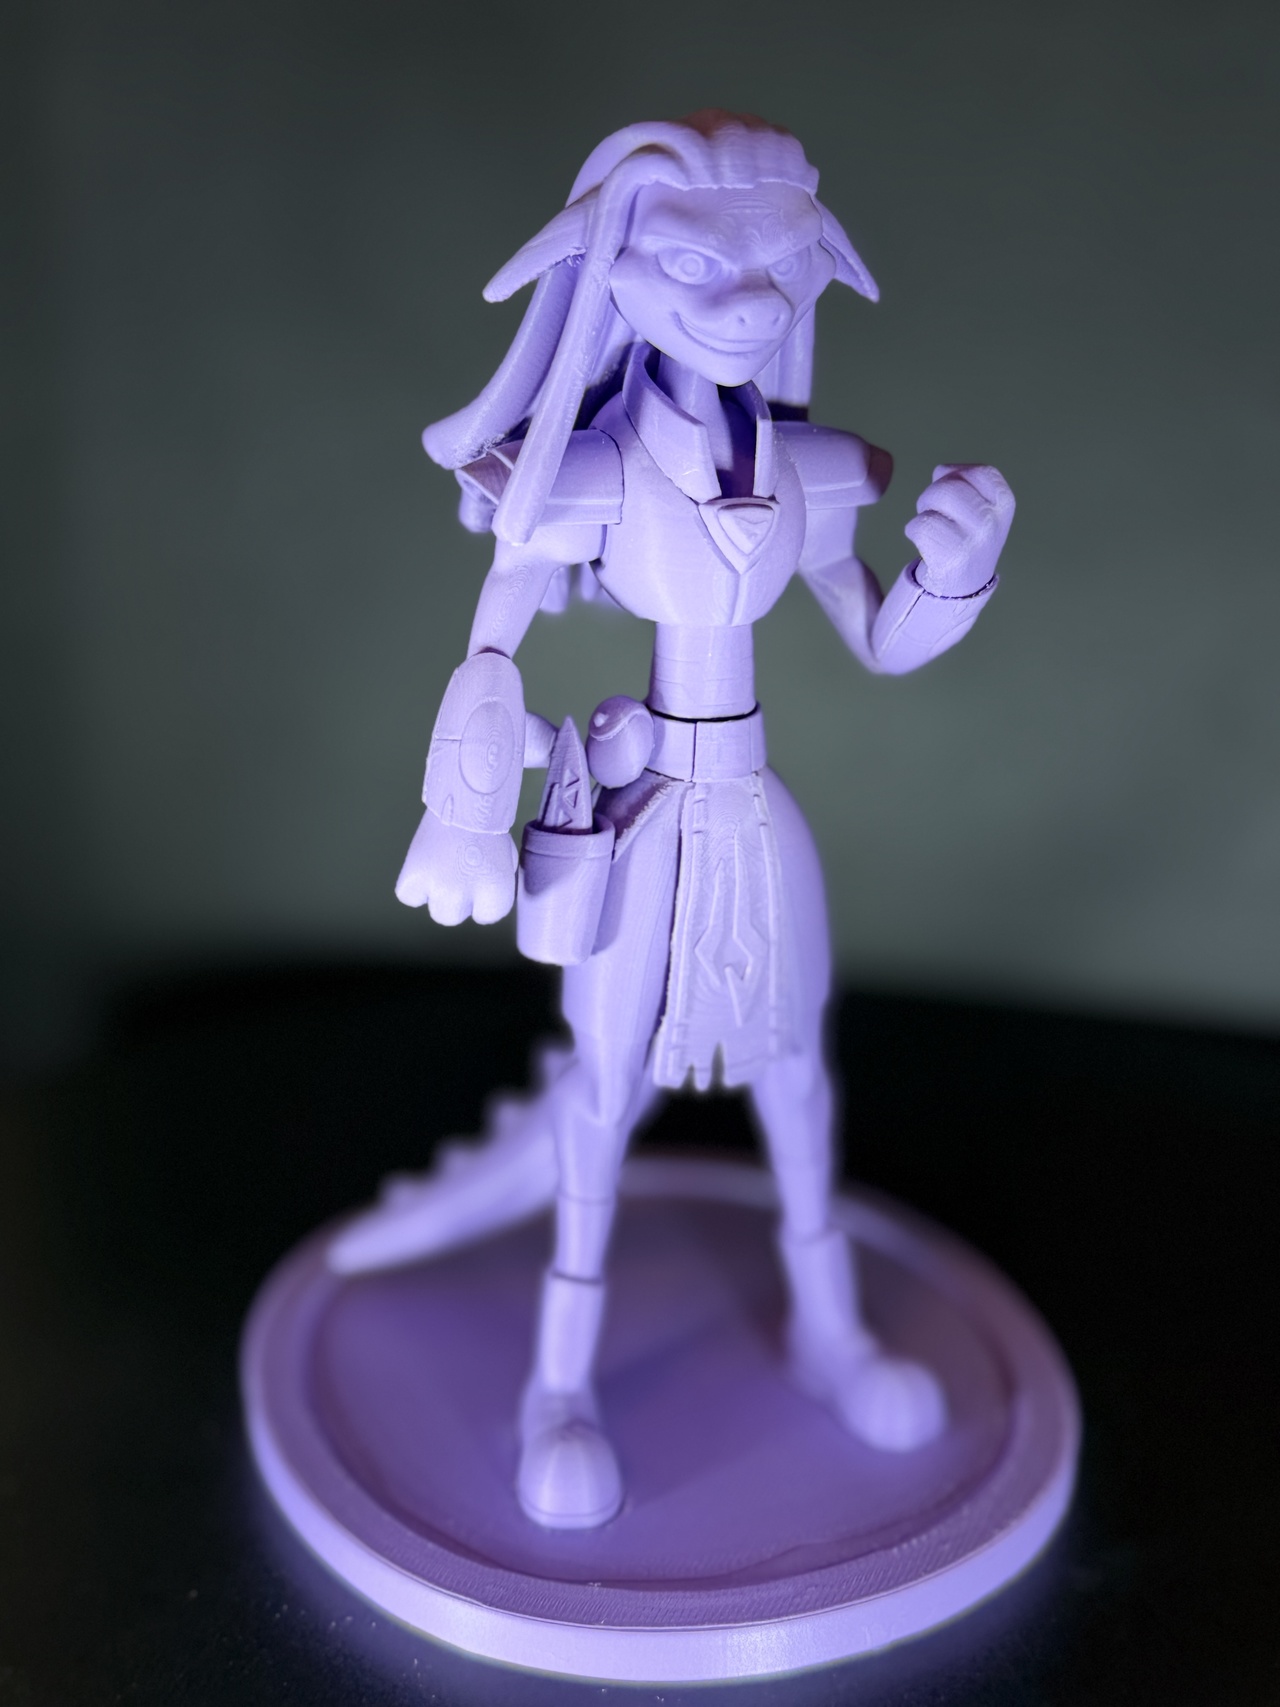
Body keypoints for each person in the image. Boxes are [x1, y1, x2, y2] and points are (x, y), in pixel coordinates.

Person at [332, 111, 1015, 1530]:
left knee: (798, 1081)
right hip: (645, 824)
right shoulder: (583, 479)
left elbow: (881, 638)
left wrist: (956, 574)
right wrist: (463, 813)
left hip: (754, 816)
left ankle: (832, 1334)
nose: (750, 303)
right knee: (602, 1101)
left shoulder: (806, 472)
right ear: (615, 272)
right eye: (700, 266)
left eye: (780, 266)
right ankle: (559, 1389)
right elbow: (493, 643)